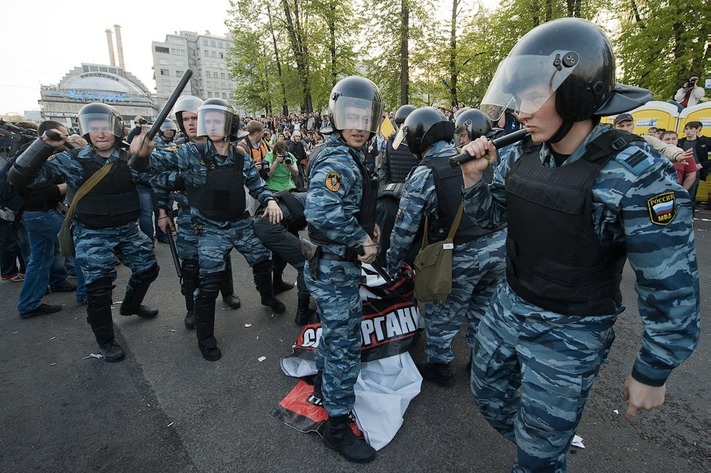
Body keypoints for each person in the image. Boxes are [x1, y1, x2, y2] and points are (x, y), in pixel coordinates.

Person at [458, 18, 699, 472]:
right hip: (509, 305)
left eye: (533, 96)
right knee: (487, 395)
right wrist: (475, 182)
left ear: (576, 93)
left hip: (570, 331)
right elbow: (493, 220)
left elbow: (670, 281)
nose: (521, 111)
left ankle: (543, 450)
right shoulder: (522, 151)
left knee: (536, 458)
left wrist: (654, 368)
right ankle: (544, 440)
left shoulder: (637, 173)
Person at [132, 98, 285, 362]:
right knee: (209, 283)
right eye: (207, 120)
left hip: (239, 223)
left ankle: (267, 298)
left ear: (230, 124)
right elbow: (154, 164)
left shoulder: (239, 156)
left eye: (218, 120)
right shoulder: (192, 152)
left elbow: (257, 183)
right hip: (210, 228)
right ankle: (205, 337)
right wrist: (142, 154)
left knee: (262, 261)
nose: (211, 125)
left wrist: (270, 200)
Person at [8, 103, 162, 362]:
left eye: (105, 128)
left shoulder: (130, 157)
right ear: (85, 131)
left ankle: (131, 305)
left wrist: (146, 155)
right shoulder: (71, 159)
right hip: (92, 232)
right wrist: (44, 145)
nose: (100, 134)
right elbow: (20, 177)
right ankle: (106, 340)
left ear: (116, 129)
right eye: (94, 128)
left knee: (148, 269)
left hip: (127, 230)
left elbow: (161, 178)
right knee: (98, 287)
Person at [387, 107, 506, 387]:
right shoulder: (477, 157)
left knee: (442, 312)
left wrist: (391, 265)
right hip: (500, 249)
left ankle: (440, 367)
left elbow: (404, 229)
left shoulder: (424, 173)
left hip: (461, 255)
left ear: (418, 140)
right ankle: (478, 361)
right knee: (484, 308)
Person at [304, 76, 382, 463]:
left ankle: (322, 382)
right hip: (334, 270)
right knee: (344, 346)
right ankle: (336, 427)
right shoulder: (338, 158)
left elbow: (351, 203)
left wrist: (368, 228)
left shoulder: (345, 154)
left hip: (330, 266)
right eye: (350, 116)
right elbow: (320, 211)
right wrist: (361, 239)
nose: (358, 124)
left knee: (334, 337)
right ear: (337, 116)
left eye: (364, 117)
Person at [154, 95, 242, 329]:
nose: (191, 123)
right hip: (189, 216)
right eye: (186, 119)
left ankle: (228, 293)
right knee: (191, 265)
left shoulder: (222, 146)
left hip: (219, 214)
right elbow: (159, 182)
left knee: (222, 257)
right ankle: (191, 309)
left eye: (196, 118)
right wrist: (162, 213)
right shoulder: (177, 150)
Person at [16, 120, 77, 319]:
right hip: (41, 213)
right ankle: (89, 295)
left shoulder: (37, 154)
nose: (66, 139)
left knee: (39, 260)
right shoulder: (32, 158)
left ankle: (29, 303)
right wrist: (68, 185)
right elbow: (36, 192)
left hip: (33, 214)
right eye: (62, 135)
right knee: (80, 249)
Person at [252, 190, 312, 325]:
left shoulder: (305, 195)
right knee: (307, 261)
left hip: (267, 223)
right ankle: (303, 313)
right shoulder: (321, 200)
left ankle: (277, 284)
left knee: (283, 252)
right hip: (270, 226)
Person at [374, 104, 418, 267]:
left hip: (411, 197)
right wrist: (385, 188)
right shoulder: (392, 142)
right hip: (391, 198)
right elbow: (384, 168)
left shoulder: (418, 145)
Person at [678, 121, 709, 210]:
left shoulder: (703, 142)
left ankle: (690, 216)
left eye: (691, 129)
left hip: (695, 172)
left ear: (697, 130)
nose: (688, 131)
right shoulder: (680, 142)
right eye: (686, 129)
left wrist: (701, 164)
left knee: (690, 195)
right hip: (680, 170)